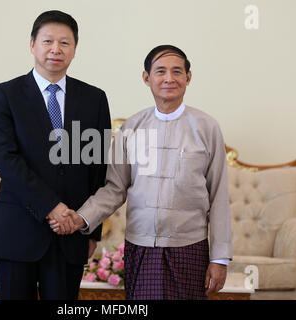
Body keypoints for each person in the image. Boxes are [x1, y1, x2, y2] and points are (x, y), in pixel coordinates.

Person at [49, 45, 232, 300]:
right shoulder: (132, 128)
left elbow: (219, 195)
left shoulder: (206, 127)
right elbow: (114, 189)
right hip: (142, 247)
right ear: (147, 78)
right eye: (160, 71)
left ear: (188, 78)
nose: (169, 78)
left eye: (177, 71)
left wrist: (220, 257)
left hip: (189, 247)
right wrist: (81, 218)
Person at [0, 10, 111, 300]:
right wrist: (52, 207)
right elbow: (7, 162)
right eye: (48, 41)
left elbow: (97, 167)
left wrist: (91, 231)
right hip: (18, 231)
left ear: (75, 49)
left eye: (65, 43)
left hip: (70, 235)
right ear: (32, 45)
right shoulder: (4, 95)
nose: (56, 49)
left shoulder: (94, 99)